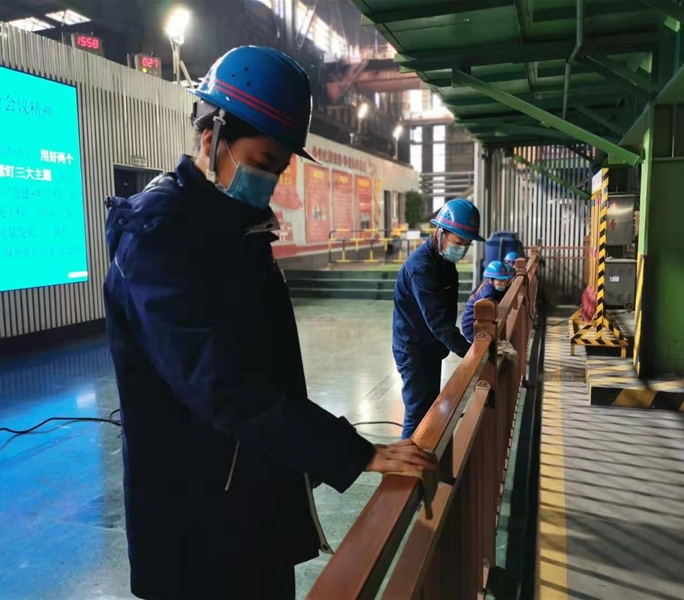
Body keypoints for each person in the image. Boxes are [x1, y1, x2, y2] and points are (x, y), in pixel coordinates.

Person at [103, 46, 435, 600]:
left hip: (252, 503)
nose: (270, 180)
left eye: (279, 168)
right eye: (262, 161)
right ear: (211, 135)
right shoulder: (156, 239)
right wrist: (353, 452)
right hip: (194, 525)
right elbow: (218, 383)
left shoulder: (239, 226)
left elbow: (266, 366)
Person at [392, 198, 484, 440]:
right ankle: (407, 460)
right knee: (417, 412)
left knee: (430, 406)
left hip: (430, 346)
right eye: (458, 242)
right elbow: (439, 323)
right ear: (440, 232)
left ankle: (423, 456)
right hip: (413, 349)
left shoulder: (443, 260)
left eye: (467, 244)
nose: (462, 249)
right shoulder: (421, 268)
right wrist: (473, 353)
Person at [461, 261, 514, 343]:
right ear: (491, 280)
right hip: (472, 327)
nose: (503, 283)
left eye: (505, 280)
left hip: (479, 324)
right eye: (499, 280)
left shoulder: (489, 285)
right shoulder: (488, 295)